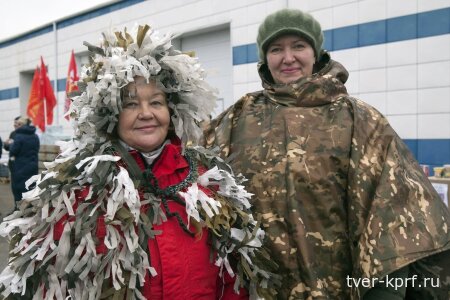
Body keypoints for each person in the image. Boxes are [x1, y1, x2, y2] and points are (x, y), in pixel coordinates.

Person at [0, 25, 277, 299]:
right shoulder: (74, 195)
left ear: (172, 110)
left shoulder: (210, 184)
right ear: (110, 115)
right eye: (131, 104)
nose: (146, 113)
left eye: (156, 102)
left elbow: (235, 281)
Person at [204, 8, 450, 300]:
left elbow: (397, 216)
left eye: (299, 46)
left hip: (337, 289)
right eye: (276, 48)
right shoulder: (238, 119)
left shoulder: (359, 120)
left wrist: (385, 293)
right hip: (258, 291)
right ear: (264, 57)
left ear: (316, 52)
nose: (288, 57)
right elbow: (191, 174)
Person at [6, 117, 39, 204]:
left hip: (20, 167)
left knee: (18, 189)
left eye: (19, 124)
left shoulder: (19, 136)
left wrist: (10, 144)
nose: (16, 126)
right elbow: (36, 149)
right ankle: (29, 211)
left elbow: (13, 151)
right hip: (33, 167)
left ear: (23, 125)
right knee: (30, 189)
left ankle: (19, 211)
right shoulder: (35, 136)